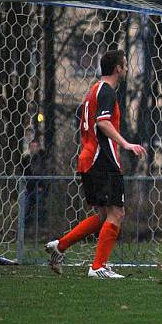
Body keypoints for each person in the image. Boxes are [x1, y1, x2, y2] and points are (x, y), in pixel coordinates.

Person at [45, 50, 146, 279]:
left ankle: (60, 246)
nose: (127, 69)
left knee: (103, 215)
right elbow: (102, 123)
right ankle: (98, 266)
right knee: (117, 213)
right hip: (102, 159)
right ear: (118, 68)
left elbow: (83, 116)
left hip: (88, 158)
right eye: (125, 65)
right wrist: (126, 144)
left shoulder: (93, 90)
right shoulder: (107, 91)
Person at [21, 139, 49, 228]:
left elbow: (43, 172)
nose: (34, 148)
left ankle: (41, 226)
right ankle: (26, 227)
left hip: (39, 187)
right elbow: (24, 172)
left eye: (35, 146)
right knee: (26, 207)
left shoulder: (42, 158)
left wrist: (41, 185)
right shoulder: (26, 158)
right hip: (29, 187)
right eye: (32, 146)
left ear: (38, 147)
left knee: (40, 207)